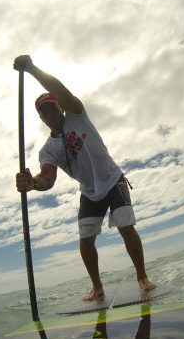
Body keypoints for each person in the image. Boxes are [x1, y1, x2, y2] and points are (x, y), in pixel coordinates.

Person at [14, 55, 156, 301]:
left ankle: (142, 277)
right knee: (86, 239)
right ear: (41, 118)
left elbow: (59, 90)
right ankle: (97, 286)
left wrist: (32, 69)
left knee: (125, 226)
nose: (49, 112)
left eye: (52, 106)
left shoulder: (77, 114)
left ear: (60, 107)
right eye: (44, 111)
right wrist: (33, 184)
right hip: (89, 191)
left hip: (113, 179)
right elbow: (48, 179)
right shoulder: (47, 150)